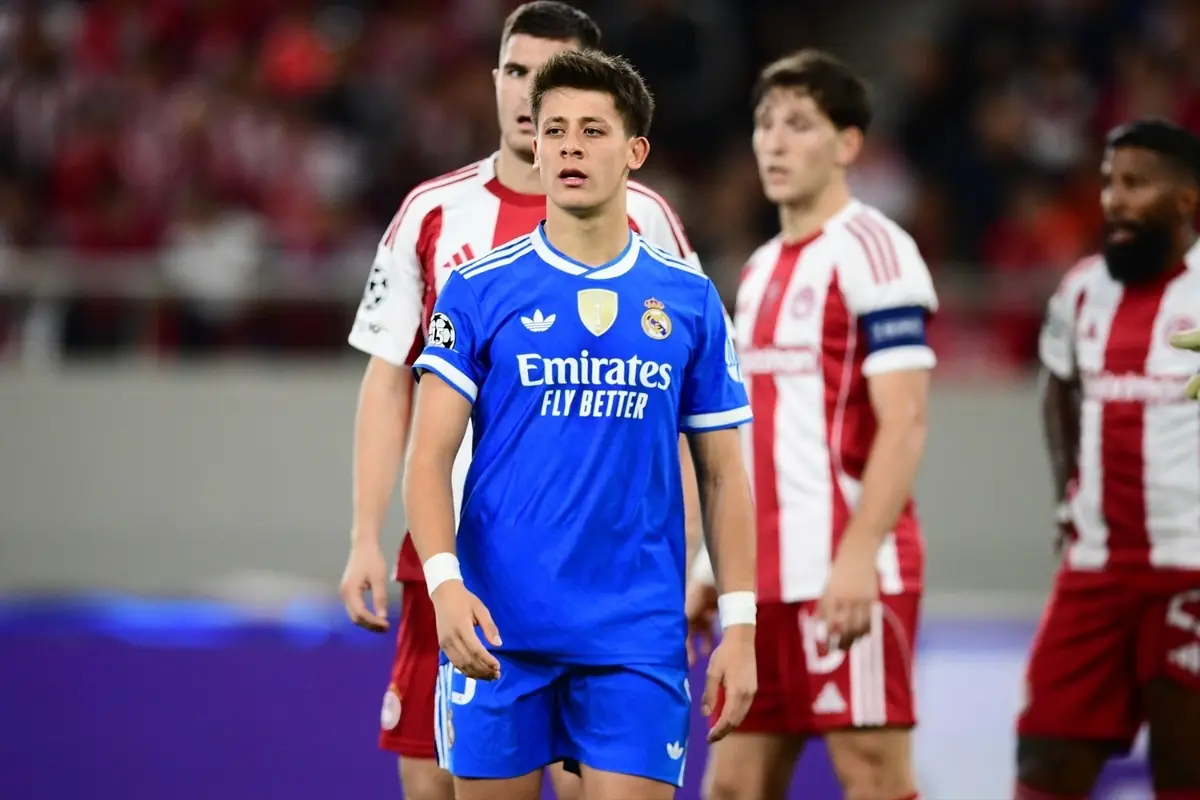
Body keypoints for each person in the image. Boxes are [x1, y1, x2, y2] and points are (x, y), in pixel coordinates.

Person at [336, 4, 704, 800]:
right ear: (494, 79)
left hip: (600, 570)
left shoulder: (647, 220)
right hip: (453, 556)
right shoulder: (431, 213)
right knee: (431, 777)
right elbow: (388, 378)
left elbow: (683, 405)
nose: (529, 92)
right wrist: (367, 533)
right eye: (513, 71)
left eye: (550, 73)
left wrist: (696, 562)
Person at [400, 49, 758, 800]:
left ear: (635, 152)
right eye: (554, 128)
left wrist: (742, 625)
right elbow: (428, 457)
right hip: (500, 632)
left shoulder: (690, 301)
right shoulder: (478, 290)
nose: (568, 145)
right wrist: (443, 586)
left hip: (635, 637)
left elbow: (724, 473)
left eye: (592, 130)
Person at [685, 50, 936, 800]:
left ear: (848, 144)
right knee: (733, 784)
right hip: (762, 579)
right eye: (764, 124)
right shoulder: (759, 268)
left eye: (799, 124)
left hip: (847, 568)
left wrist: (859, 556)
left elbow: (906, 420)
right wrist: (710, 564)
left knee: (871, 775)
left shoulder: (877, 251)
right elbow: (745, 433)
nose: (774, 142)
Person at [1017, 119, 1200, 800]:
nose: (1114, 200)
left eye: (1135, 184)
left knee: (1184, 775)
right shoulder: (1082, 289)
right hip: (1093, 571)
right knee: (1043, 768)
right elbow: (1057, 387)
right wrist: (1069, 493)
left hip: (1189, 569)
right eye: (1107, 183)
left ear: (1185, 199)